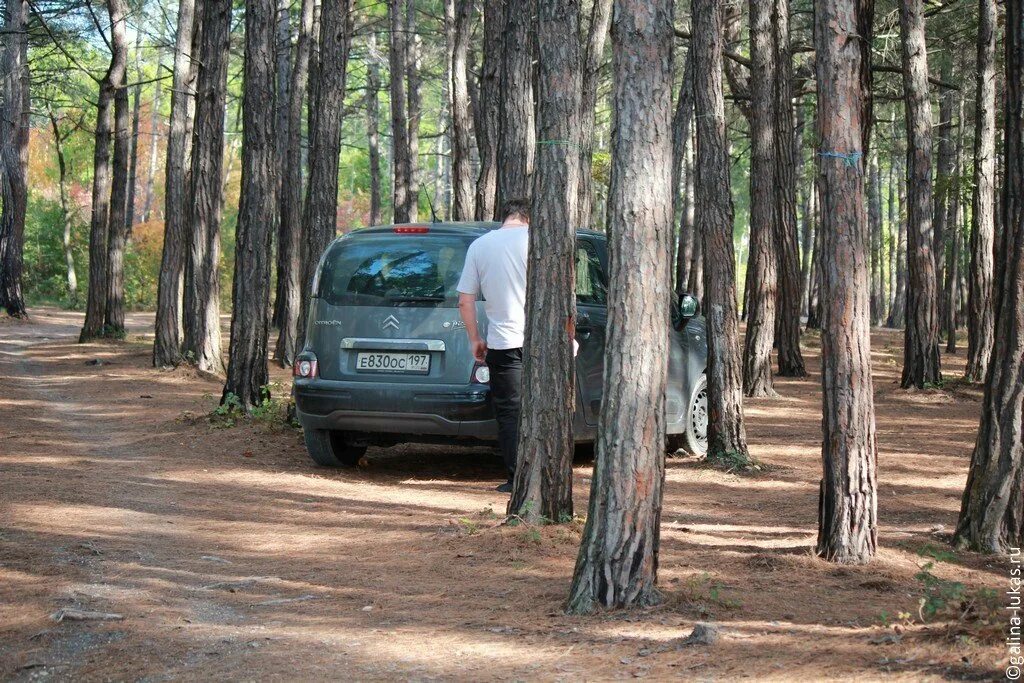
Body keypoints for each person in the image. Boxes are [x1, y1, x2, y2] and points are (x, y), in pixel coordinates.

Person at [456, 199, 530, 493]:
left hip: (504, 343)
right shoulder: (540, 240)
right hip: (543, 341)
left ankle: (516, 478)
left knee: (510, 411)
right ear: (529, 218)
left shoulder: (480, 246)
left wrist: (475, 339)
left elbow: (465, 300)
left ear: (506, 217)